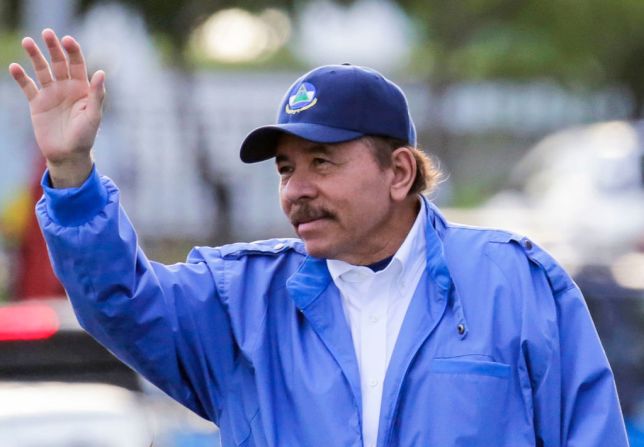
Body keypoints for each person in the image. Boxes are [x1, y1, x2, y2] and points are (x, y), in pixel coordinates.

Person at [9, 29, 629, 447]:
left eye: (321, 162)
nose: (295, 189)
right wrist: (71, 173)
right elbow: (119, 302)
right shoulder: (238, 301)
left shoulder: (515, 281)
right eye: (285, 169)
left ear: (400, 172)